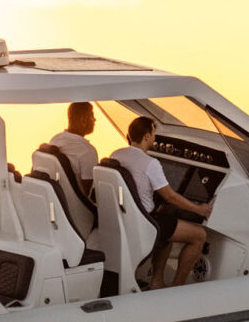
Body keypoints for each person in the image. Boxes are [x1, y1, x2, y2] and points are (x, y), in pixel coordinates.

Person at [110, 116, 213, 289]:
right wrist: (199, 209)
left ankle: (156, 281)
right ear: (147, 136)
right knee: (199, 235)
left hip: (127, 217)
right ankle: (178, 287)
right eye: (154, 133)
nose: (155, 137)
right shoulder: (150, 163)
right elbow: (170, 197)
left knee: (169, 218)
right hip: (147, 221)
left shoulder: (117, 154)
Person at [49, 102, 98, 196]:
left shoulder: (55, 140)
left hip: (58, 198)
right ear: (83, 120)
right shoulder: (87, 151)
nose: (95, 120)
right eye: (92, 116)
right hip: (77, 207)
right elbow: (89, 194)